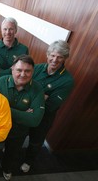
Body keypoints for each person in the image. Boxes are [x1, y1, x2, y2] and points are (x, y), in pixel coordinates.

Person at [21, 40, 74, 173]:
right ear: (48, 55)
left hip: (44, 118)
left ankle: (28, 161)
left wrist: (33, 96)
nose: (55, 60)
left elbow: (51, 104)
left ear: (64, 59)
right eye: (52, 55)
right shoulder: (37, 68)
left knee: (35, 142)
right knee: (19, 135)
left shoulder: (67, 80)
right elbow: (23, 87)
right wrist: (42, 96)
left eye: (59, 57)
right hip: (25, 112)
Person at [0, 55, 45, 181]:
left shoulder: (37, 89)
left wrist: (3, 109)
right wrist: (24, 114)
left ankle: (6, 169)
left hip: (18, 132)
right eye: (19, 70)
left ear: (32, 72)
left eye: (27, 71)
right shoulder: (1, 81)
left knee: (11, 155)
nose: (23, 74)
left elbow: (35, 120)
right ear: (12, 69)